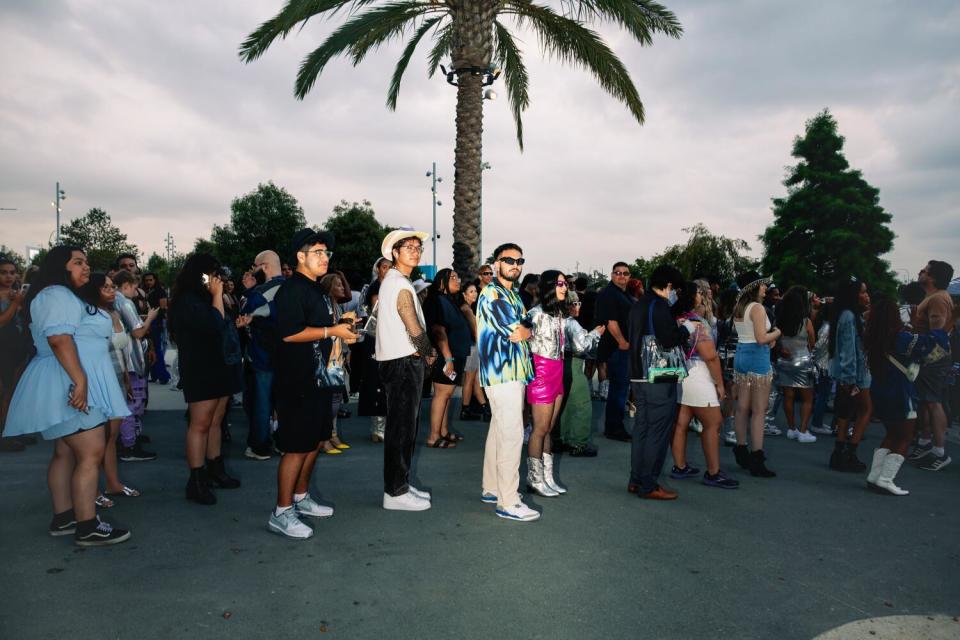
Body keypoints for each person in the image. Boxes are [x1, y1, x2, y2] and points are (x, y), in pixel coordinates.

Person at [3, 247, 131, 545]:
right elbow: (59, 341)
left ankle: (64, 517)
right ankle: (87, 525)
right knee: (90, 453)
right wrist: (81, 381)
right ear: (61, 267)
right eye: (78, 262)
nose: (86, 267)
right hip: (69, 381)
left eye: (86, 262)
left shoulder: (57, 294)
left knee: (65, 452)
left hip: (65, 379)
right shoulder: (57, 295)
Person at [267, 229, 353, 538]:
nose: (325, 257)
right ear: (300, 257)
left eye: (326, 253)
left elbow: (321, 327)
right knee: (295, 446)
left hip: (322, 378)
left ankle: (300, 497)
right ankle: (281, 510)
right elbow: (289, 334)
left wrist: (342, 326)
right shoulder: (291, 290)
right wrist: (333, 333)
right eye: (317, 252)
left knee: (316, 441)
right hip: (298, 381)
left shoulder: (317, 289)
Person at [168, 254, 248, 505]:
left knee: (216, 420)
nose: (217, 279)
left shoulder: (204, 297)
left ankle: (215, 469)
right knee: (200, 423)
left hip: (219, 364)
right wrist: (216, 296)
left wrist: (235, 321)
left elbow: (220, 326)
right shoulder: (187, 300)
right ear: (199, 274)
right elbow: (212, 324)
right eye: (211, 274)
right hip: (200, 367)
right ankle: (196, 480)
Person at [374, 228, 436, 511]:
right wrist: (429, 352)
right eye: (407, 247)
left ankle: (400, 485)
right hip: (402, 363)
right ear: (395, 253)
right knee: (402, 429)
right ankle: (396, 493)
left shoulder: (395, 280)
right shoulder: (399, 283)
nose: (415, 250)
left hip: (398, 362)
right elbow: (412, 326)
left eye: (417, 247)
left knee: (403, 427)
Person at [864, 296, 950, 495]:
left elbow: (913, 344)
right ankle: (886, 479)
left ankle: (874, 476)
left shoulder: (876, 337)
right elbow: (930, 345)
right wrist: (951, 319)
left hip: (880, 392)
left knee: (891, 434)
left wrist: (914, 324)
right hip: (901, 393)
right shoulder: (900, 338)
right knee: (905, 436)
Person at [477, 242, 538, 522]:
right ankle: (508, 501)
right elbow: (518, 330)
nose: (515, 264)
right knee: (512, 434)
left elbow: (527, 325)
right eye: (508, 259)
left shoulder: (511, 294)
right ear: (496, 263)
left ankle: (492, 489)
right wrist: (527, 328)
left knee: (499, 431)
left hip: (512, 372)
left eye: (519, 260)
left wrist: (528, 327)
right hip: (503, 374)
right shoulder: (493, 293)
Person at [77, 273, 143, 506]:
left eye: (112, 286)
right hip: (96, 381)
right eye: (105, 286)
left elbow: (121, 350)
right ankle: (92, 491)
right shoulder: (87, 315)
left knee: (111, 436)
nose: (111, 289)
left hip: (116, 379)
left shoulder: (115, 312)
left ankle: (113, 484)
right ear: (93, 290)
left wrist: (126, 378)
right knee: (96, 440)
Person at [627, 264, 689, 500]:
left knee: (642, 428)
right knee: (658, 431)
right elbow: (668, 340)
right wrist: (685, 330)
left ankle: (636, 479)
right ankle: (648, 484)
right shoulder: (659, 306)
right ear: (670, 285)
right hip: (659, 375)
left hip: (637, 374)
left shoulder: (639, 304)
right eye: (677, 290)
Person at [669, 284, 739, 489]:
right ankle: (713, 472)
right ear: (692, 297)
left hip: (681, 373)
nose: (703, 295)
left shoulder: (676, 318)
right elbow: (710, 356)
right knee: (713, 423)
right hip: (699, 374)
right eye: (699, 292)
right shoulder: (696, 322)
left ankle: (680, 466)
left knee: (681, 423)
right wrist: (720, 385)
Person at [525, 270, 574, 497]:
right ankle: (534, 479)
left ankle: (546, 477)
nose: (565, 287)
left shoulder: (560, 314)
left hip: (558, 372)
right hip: (542, 374)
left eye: (566, 283)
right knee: (540, 429)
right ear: (549, 286)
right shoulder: (535, 314)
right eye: (561, 283)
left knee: (549, 430)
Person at [731, 272, 781, 478]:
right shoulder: (758, 308)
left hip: (741, 353)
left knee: (742, 407)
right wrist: (777, 332)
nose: (765, 288)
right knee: (760, 410)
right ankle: (756, 457)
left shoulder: (739, 307)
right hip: (757, 356)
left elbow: (750, 335)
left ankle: (741, 448)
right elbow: (761, 338)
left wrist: (769, 338)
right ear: (753, 287)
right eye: (762, 284)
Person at [240, 250, 285, 460]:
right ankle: (284, 442)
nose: (252, 270)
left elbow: (249, 314)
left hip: (262, 354)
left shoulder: (261, 292)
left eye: (255, 266)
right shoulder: (290, 287)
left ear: (265, 267)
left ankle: (260, 446)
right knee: (284, 401)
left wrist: (249, 291)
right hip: (287, 353)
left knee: (261, 402)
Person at [910, 260, 954, 471]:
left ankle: (939, 451)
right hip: (930, 358)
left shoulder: (937, 299)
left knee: (934, 402)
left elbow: (938, 333)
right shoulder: (933, 297)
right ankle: (926, 443)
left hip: (934, 358)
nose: (921, 272)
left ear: (933, 278)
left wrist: (924, 354)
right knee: (926, 401)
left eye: (925, 271)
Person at [112, 270, 158, 461]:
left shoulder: (113, 301)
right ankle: (129, 445)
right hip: (131, 360)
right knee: (132, 404)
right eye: (134, 287)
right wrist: (150, 318)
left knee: (126, 403)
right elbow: (138, 332)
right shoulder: (124, 302)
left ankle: (128, 441)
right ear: (126, 285)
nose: (136, 290)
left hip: (122, 359)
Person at [827, 280, 872, 473]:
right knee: (865, 410)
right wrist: (850, 378)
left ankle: (840, 452)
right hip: (856, 374)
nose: (866, 296)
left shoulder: (847, 315)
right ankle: (850, 452)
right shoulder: (848, 316)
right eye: (863, 292)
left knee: (846, 411)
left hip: (851, 373)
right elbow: (848, 349)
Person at [423, 268, 471, 447]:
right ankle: (433, 436)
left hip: (455, 354)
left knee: (448, 395)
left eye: (458, 277)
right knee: (442, 394)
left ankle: (442, 431)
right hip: (446, 355)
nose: (457, 280)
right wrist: (448, 358)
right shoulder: (436, 300)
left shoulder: (449, 300)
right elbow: (438, 330)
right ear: (441, 281)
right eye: (453, 278)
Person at [557, 290, 603, 457]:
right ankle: (578, 443)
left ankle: (562, 438)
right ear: (568, 305)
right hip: (574, 363)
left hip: (557, 364)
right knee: (582, 405)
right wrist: (596, 334)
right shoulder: (571, 323)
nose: (578, 306)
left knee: (565, 405)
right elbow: (581, 346)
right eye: (575, 303)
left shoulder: (554, 320)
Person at [318, 272, 355, 454]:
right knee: (328, 402)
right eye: (338, 284)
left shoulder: (338, 307)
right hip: (326, 361)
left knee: (336, 400)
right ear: (329, 287)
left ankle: (331, 434)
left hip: (338, 359)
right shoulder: (324, 305)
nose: (343, 288)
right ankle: (323, 438)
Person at [775, 286, 818, 443]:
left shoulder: (779, 320)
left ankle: (791, 428)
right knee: (808, 398)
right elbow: (812, 343)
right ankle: (803, 430)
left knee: (789, 396)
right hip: (802, 360)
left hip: (785, 361)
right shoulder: (806, 322)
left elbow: (775, 340)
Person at [597, 262, 634, 441]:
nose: (621, 276)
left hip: (621, 347)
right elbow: (611, 321)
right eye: (617, 273)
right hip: (616, 348)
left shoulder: (623, 293)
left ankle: (613, 426)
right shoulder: (609, 294)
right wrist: (622, 342)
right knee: (619, 389)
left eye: (625, 273)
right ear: (612, 275)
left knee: (620, 389)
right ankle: (614, 428)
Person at [0, 257, 33, 452]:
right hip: (3, 349)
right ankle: (5, 435)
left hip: (18, 348)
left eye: (12, 272)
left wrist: (20, 303)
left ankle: (13, 431)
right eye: (4, 272)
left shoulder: (15, 294)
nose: (9, 276)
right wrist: (16, 304)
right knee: (5, 392)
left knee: (15, 392)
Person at [358, 258, 390, 442]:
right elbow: (378, 311)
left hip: (386, 338)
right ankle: (378, 427)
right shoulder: (376, 288)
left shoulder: (390, 286)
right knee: (376, 381)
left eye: (390, 267)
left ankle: (381, 427)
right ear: (377, 269)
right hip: (375, 338)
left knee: (385, 381)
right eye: (384, 267)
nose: (387, 270)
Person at [458, 280, 490, 422]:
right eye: (471, 292)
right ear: (464, 295)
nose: (475, 294)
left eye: (475, 291)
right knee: (470, 380)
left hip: (472, 347)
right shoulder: (467, 309)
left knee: (475, 379)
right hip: (473, 348)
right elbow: (475, 330)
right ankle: (465, 410)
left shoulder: (468, 308)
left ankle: (484, 408)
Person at [809, 295, 834, 435]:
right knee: (822, 396)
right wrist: (814, 361)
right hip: (824, 365)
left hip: (824, 364)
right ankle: (816, 423)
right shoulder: (828, 328)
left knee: (823, 395)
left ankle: (818, 422)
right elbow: (818, 347)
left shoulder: (826, 325)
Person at [142, 272, 171, 384]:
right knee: (150, 348)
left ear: (155, 280)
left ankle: (163, 376)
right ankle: (154, 375)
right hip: (148, 321)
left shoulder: (160, 291)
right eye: (146, 280)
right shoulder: (146, 291)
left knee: (157, 349)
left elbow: (163, 308)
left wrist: (160, 323)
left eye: (151, 280)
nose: (148, 282)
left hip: (157, 322)